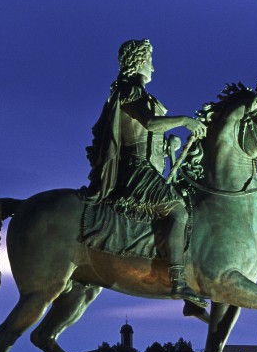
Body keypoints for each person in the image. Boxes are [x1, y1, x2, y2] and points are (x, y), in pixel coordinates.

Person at [84, 38, 210, 309]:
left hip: (148, 166)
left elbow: (146, 134)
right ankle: (178, 280)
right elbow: (150, 124)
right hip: (135, 170)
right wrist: (185, 120)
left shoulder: (139, 94)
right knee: (178, 210)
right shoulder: (129, 90)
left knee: (187, 202)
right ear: (139, 61)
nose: (153, 66)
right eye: (150, 60)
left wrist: (168, 147)